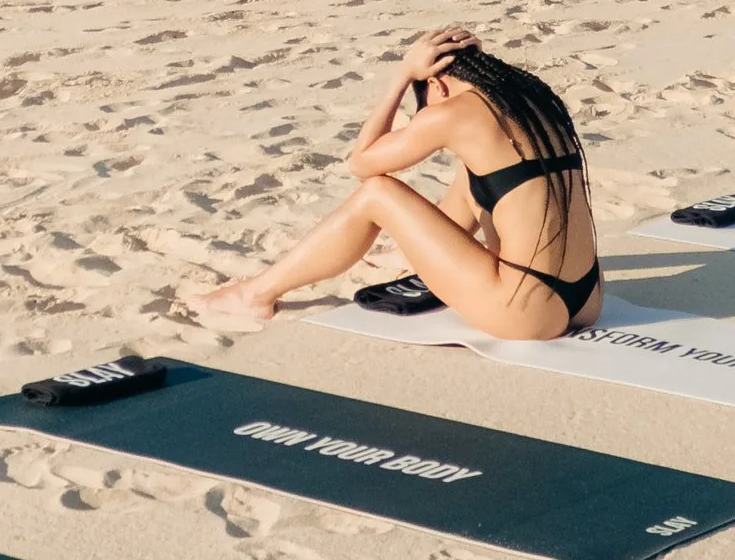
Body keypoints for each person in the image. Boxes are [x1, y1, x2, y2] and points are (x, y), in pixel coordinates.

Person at [195, 27, 602, 339]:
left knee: (378, 194)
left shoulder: (455, 110)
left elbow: (363, 163)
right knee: (477, 168)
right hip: (587, 299)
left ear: (437, 85)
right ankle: (411, 255)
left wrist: (402, 76)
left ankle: (255, 296)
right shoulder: (529, 99)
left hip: (524, 312)